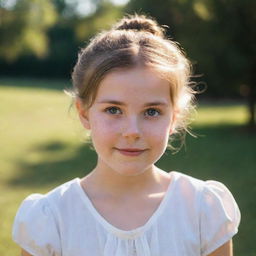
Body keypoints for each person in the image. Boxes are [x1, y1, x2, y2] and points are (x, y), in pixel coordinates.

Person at [12, 14, 240, 256]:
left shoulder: (203, 209)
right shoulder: (51, 218)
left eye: (152, 111)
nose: (132, 131)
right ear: (85, 112)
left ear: (174, 117)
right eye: (113, 110)